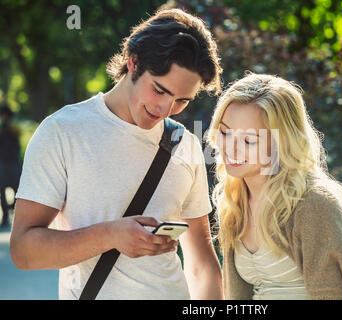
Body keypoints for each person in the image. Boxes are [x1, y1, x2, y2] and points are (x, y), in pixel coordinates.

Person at [10, 8, 223, 300]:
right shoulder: (63, 131)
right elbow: (24, 251)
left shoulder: (183, 143)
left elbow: (201, 265)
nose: (166, 110)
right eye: (159, 90)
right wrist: (110, 235)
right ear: (133, 63)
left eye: (182, 100)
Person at [207, 73, 342, 300]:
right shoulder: (235, 199)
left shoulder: (315, 203)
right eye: (225, 133)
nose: (231, 148)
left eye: (248, 140)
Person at [0, 104, 21, 228]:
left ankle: (14, 209)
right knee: (2, 191)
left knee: (17, 190)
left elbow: (17, 133)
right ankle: (5, 216)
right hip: (2, 163)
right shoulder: (1, 129)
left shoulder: (14, 127)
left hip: (13, 163)